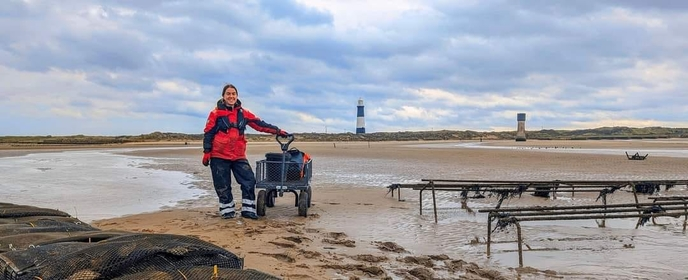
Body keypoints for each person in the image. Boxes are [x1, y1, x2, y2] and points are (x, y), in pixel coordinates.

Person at [202, 84, 289, 219]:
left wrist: (278, 131)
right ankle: (227, 212)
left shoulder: (243, 113)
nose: (231, 96)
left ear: (237, 96)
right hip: (219, 155)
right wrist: (207, 152)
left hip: (238, 155)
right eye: (228, 94)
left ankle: (248, 210)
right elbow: (208, 132)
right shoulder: (215, 113)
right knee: (222, 184)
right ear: (223, 96)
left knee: (249, 180)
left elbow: (260, 125)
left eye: (233, 94)